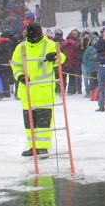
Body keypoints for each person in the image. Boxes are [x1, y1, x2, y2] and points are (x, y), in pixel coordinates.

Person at [10, 23, 66, 157]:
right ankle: (33, 147)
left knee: (43, 122)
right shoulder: (21, 47)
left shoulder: (49, 44)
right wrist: (20, 76)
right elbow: (15, 65)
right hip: (27, 91)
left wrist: (54, 56)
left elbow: (62, 58)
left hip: (44, 90)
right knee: (29, 123)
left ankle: (43, 147)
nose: (33, 38)